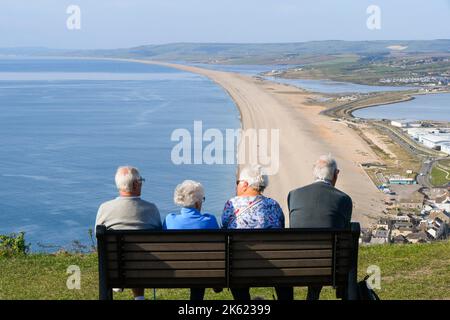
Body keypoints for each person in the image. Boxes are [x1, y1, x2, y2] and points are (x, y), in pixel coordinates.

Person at [222, 164, 293, 300]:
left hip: (240, 268)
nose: (236, 186)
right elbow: (281, 230)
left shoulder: (231, 204)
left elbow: (225, 229)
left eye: (237, 183)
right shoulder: (274, 205)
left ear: (245, 184)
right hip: (273, 268)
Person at [288, 155, 353, 300]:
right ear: (336, 175)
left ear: (314, 172)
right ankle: (314, 295)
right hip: (330, 265)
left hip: (294, 262)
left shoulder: (293, 195)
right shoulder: (343, 199)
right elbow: (346, 231)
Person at [95, 166, 162, 300]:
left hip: (115, 269)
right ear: (136, 184)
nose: (142, 183)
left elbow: (99, 239)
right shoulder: (151, 209)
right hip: (146, 269)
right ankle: (139, 298)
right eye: (141, 180)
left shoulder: (105, 208)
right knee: (138, 256)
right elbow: (159, 236)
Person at [164, 180, 219, 300]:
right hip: (202, 272)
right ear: (198, 203)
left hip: (175, 271)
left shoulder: (169, 220)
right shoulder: (210, 220)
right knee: (200, 264)